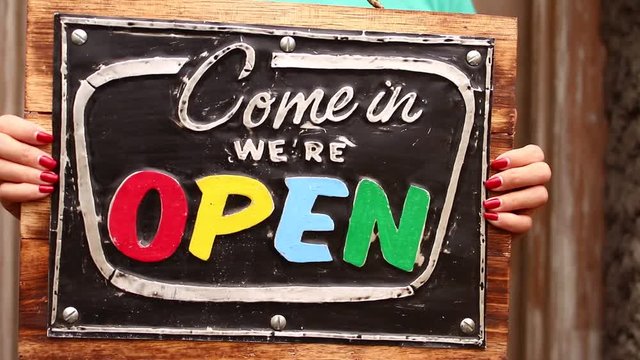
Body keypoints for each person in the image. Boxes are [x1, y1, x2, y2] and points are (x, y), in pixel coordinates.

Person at [0, 0, 551, 235]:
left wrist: (503, 198)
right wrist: (30, 171)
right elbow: (93, 153)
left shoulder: (433, 5)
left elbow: (455, 179)